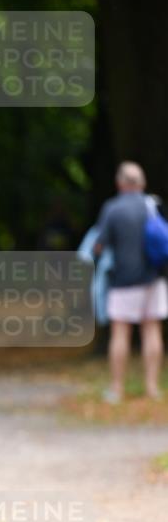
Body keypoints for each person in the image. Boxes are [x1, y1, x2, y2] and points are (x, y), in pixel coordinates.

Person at [95, 161, 167, 403]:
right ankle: (152, 388)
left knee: (120, 333)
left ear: (120, 183)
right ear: (142, 183)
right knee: (152, 330)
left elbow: (99, 245)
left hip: (123, 280)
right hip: (154, 279)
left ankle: (116, 389)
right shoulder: (153, 205)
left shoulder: (112, 209)